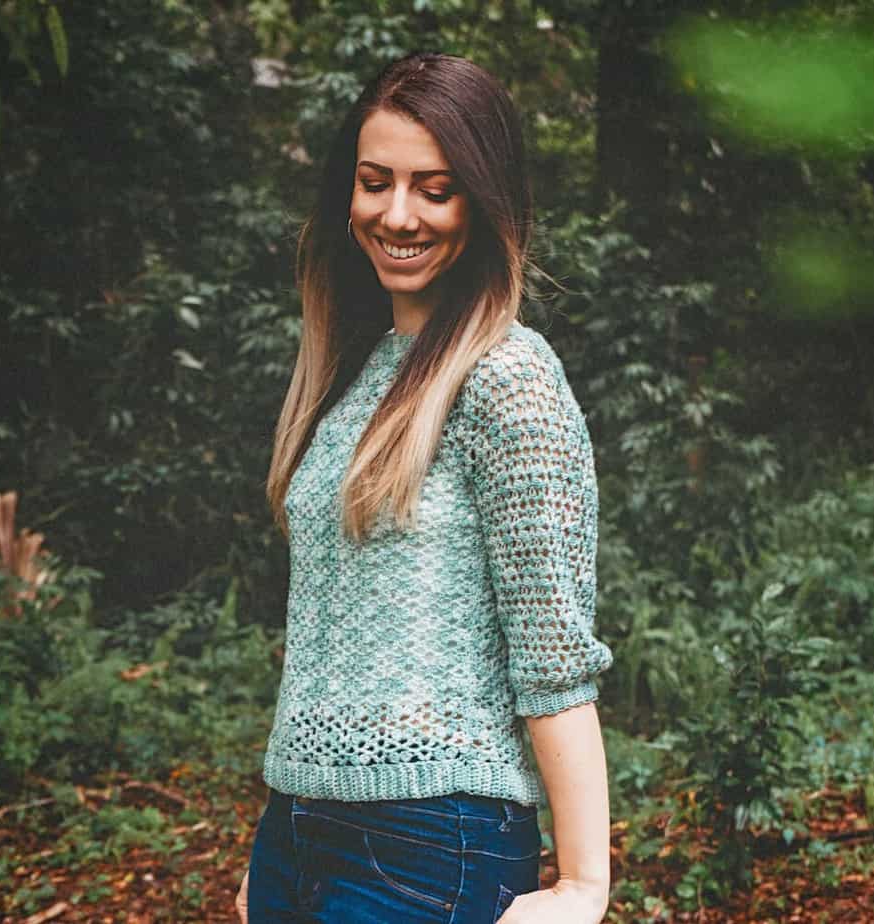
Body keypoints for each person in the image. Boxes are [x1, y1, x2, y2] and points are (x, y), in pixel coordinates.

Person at [236, 51, 614, 924]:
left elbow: (554, 655)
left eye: (433, 189)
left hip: (433, 842)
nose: (396, 214)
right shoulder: (358, 369)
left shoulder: (507, 376)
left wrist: (585, 883)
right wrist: (281, 839)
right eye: (376, 182)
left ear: (484, 202)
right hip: (298, 830)